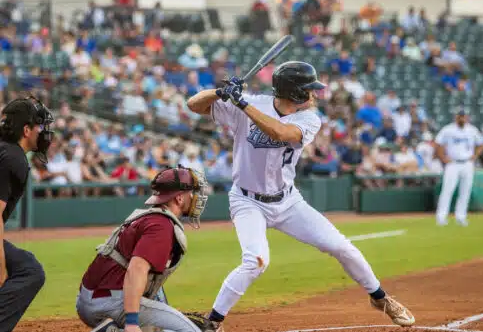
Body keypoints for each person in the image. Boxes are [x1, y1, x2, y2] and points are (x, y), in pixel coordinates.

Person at [187, 61, 415, 332]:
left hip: (287, 201)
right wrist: (219, 92)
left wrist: (241, 104)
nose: (314, 95)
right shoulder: (248, 103)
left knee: (341, 246)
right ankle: (213, 322)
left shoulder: (307, 118)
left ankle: (381, 299)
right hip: (246, 201)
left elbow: (281, 133)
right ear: (294, 93)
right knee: (255, 261)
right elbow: (194, 105)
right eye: (309, 90)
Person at [76, 167, 210, 332]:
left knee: (160, 328)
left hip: (94, 296)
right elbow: (136, 269)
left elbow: (151, 280)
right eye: (191, 192)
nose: (195, 196)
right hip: (108, 302)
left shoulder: (150, 217)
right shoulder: (161, 226)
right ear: (179, 198)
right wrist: (132, 322)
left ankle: (114, 328)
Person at [0, 96, 54, 330]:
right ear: (26, 129)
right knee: (29, 271)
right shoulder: (13, 158)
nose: (43, 132)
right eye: (39, 126)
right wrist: (1, 267)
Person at [434, 110, 483, 226]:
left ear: (467, 117)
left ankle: (461, 216)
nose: (461, 118)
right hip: (453, 163)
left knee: (465, 191)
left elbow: (480, 144)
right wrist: (443, 158)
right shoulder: (448, 129)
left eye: (463, 116)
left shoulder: (472, 130)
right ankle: (441, 216)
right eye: (459, 116)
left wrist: (475, 156)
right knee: (447, 190)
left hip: (467, 163)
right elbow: (438, 144)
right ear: (456, 117)